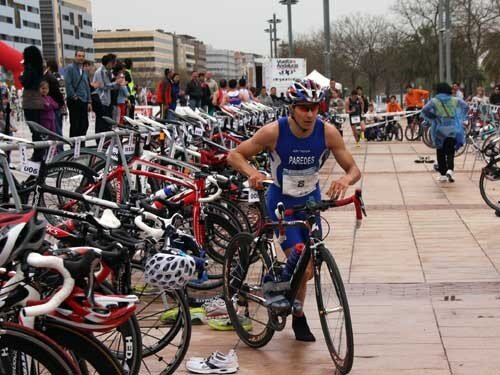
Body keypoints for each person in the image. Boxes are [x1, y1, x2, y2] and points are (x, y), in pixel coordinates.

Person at [227, 79, 361, 342]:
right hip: (281, 202)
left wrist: (345, 180)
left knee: (309, 266)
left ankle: (294, 304)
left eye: (314, 107)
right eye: (303, 108)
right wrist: (253, 172)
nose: (310, 114)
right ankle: (296, 313)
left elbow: (353, 169)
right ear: (292, 108)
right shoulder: (273, 132)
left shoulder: (328, 132)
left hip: (310, 201)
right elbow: (235, 155)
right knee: (301, 261)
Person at [421, 82, 468, 183]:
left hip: (439, 129)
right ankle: (450, 170)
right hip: (452, 129)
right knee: (450, 151)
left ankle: (442, 174)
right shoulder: (455, 100)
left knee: (440, 151)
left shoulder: (434, 101)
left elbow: (424, 110)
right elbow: (466, 107)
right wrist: (459, 117)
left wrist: (433, 117)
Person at [20, 46, 45, 161]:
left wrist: (21, 76)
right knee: (38, 128)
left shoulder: (29, 68)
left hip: (30, 101)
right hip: (38, 100)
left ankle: (38, 153)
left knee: (34, 129)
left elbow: (25, 82)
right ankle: (40, 151)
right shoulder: (39, 67)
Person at [64, 49, 92, 140]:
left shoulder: (83, 70)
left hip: (83, 101)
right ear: (75, 56)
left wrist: (89, 101)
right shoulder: (70, 68)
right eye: (79, 56)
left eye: (83, 56)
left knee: (84, 125)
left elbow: (86, 86)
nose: (81, 58)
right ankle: (74, 148)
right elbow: (68, 83)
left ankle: (81, 146)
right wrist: (74, 96)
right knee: (75, 125)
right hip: (75, 100)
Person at [93, 54, 122, 133]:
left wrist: (118, 84)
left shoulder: (109, 72)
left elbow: (110, 87)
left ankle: (106, 143)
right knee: (101, 124)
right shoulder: (100, 72)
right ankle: (100, 143)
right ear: (109, 62)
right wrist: (115, 82)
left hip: (108, 102)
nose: (115, 64)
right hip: (101, 101)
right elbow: (103, 86)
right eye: (114, 62)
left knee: (107, 125)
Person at [44, 60, 65, 151]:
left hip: (54, 107)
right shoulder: (55, 77)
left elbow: (57, 93)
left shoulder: (50, 77)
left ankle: (60, 151)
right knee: (55, 129)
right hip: (53, 107)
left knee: (56, 130)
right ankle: (57, 151)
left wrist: (60, 104)